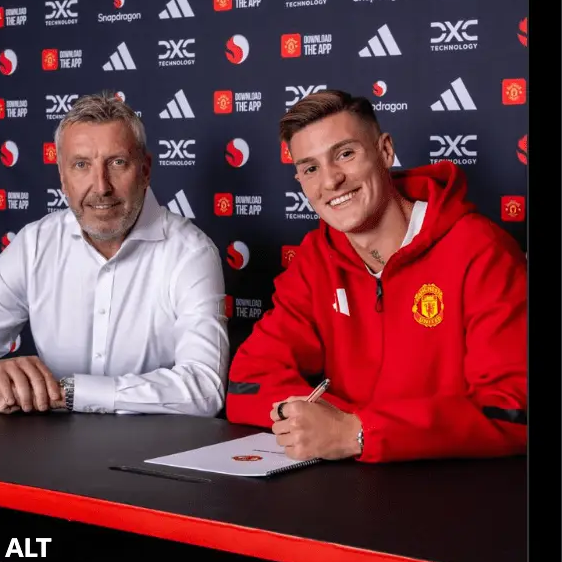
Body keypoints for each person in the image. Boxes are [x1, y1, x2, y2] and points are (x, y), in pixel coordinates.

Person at [225, 90, 527, 463]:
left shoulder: (480, 250)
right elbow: (248, 382)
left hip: (455, 489)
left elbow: (512, 412)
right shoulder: (316, 258)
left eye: (345, 154)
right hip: (348, 489)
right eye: (310, 168)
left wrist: (359, 431)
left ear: (385, 151)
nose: (331, 180)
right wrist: (333, 425)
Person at [0, 92, 229, 415]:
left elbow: (204, 388)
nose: (101, 186)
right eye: (81, 165)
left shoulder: (190, 252)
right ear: (62, 176)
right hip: (46, 452)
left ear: (145, 170)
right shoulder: (34, 244)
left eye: (117, 163)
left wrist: (68, 392)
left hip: (155, 453)